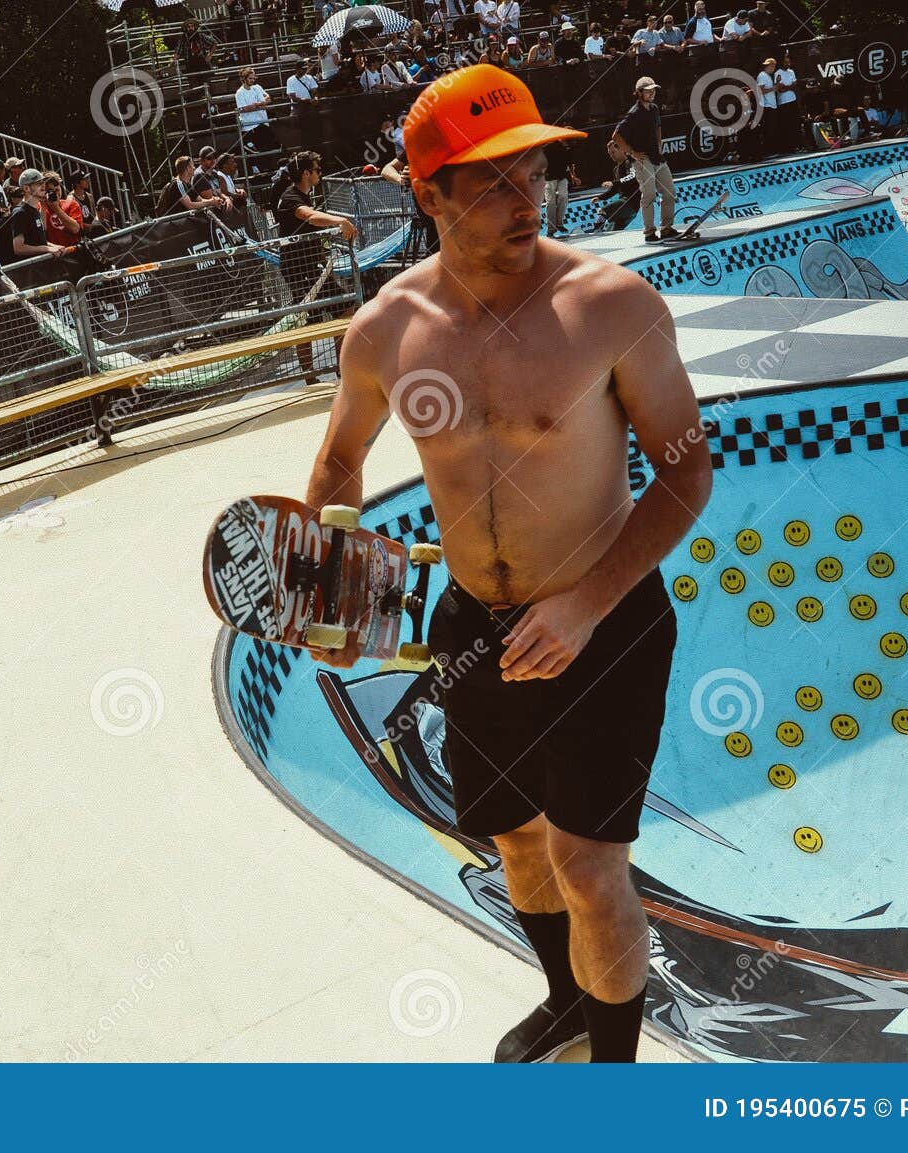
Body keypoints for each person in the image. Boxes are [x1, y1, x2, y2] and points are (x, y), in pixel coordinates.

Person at [311, 63, 708, 1064]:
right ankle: (566, 1001)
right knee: (516, 842)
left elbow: (683, 479)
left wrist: (582, 603)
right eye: (488, 180)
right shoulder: (387, 328)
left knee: (585, 862)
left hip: (603, 625)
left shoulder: (609, 306)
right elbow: (340, 461)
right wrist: (323, 581)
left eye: (529, 169)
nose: (523, 196)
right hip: (471, 627)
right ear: (427, 192)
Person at [273, 149, 355, 382]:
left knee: (345, 308)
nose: (321, 173)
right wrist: (340, 221)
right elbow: (309, 216)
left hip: (314, 265)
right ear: (306, 173)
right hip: (298, 268)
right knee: (307, 321)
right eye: (317, 170)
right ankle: (310, 377)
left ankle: (342, 369)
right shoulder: (290, 198)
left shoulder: (304, 194)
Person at [612, 76, 677, 241]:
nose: (652, 93)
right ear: (639, 93)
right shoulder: (634, 113)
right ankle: (649, 232)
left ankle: (667, 228)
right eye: (648, 91)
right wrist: (632, 153)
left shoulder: (654, 108)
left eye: (653, 90)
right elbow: (616, 136)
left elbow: (658, 127)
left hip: (657, 157)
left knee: (669, 192)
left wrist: (659, 145)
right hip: (643, 159)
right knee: (648, 195)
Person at [234, 67, 279, 162]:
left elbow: (268, 98)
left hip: (263, 122)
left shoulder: (258, 87)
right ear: (244, 79)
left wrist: (257, 104)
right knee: (259, 151)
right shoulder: (240, 92)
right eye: (250, 78)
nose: (252, 80)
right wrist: (261, 105)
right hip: (251, 126)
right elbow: (245, 108)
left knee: (271, 146)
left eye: (253, 78)